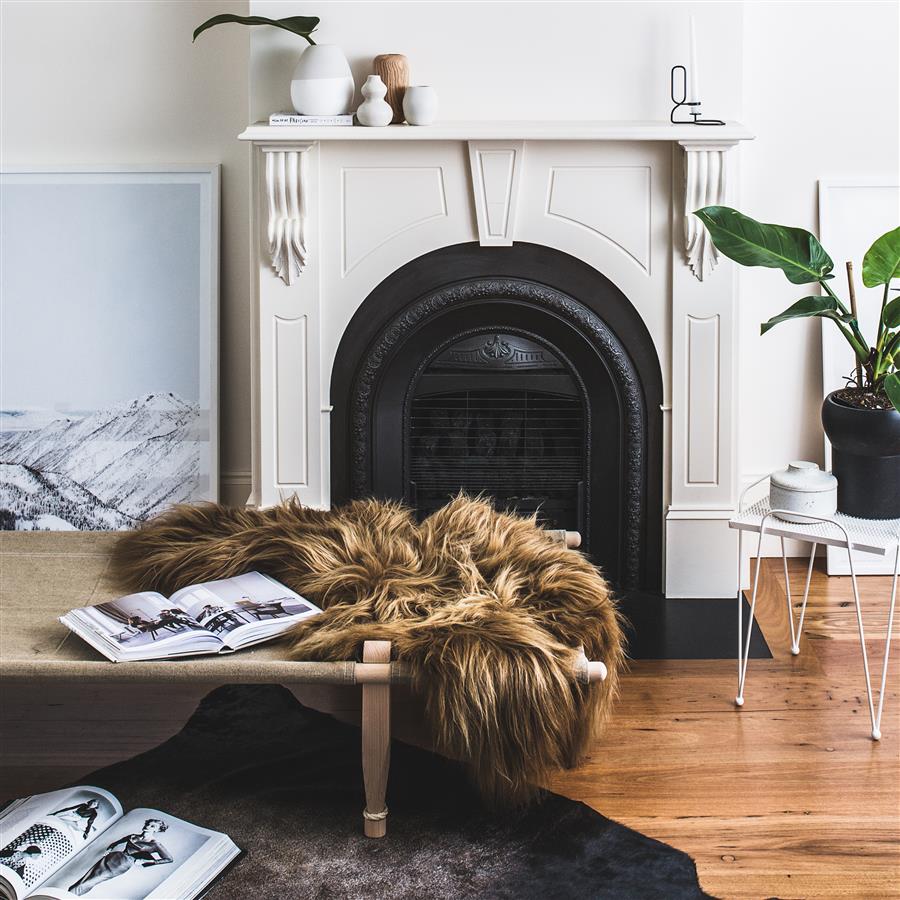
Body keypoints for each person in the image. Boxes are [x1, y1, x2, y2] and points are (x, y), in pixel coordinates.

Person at [68, 819, 173, 896]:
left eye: (152, 826)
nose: (148, 826)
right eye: (148, 824)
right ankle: (69, 894)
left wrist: (146, 861)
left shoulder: (155, 844)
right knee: (87, 878)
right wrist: (108, 851)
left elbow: (169, 859)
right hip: (112, 857)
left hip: (122, 864)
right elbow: (115, 843)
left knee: (92, 880)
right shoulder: (133, 836)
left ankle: (69, 896)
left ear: (158, 830)